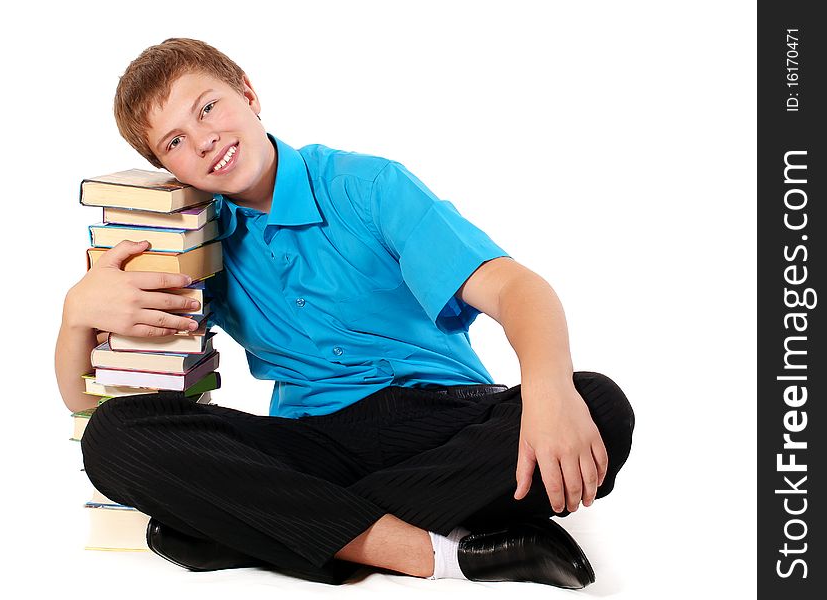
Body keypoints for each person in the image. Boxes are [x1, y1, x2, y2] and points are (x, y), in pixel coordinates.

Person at [54, 38, 634, 587]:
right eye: (174, 142)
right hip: (312, 440)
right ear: (167, 169)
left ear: (250, 96)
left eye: (208, 108)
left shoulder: (366, 185)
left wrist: (548, 391)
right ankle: (432, 552)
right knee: (113, 438)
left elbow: (517, 290)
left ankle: (272, 530)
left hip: (441, 423)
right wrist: (76, 316)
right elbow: (88, 403)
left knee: (599, 403)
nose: (203, 140)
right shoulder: (192, 245)